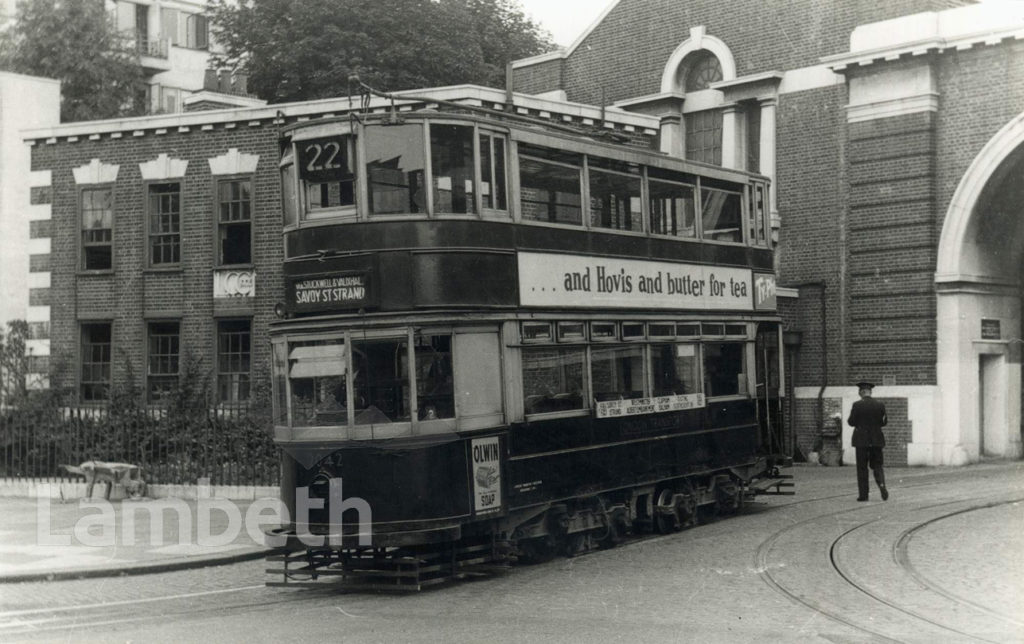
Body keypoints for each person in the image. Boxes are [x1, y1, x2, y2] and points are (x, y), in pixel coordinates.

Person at [847, 381, 889, 501]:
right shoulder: (880, 404)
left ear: (861, 392)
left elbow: (851, 422)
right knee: (877, 465)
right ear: (870, 392)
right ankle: (881, 485)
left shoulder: (857, 405)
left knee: (862, 468)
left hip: (861, 441)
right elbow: (884, 422)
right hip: (877, 440)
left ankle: (864, 495)